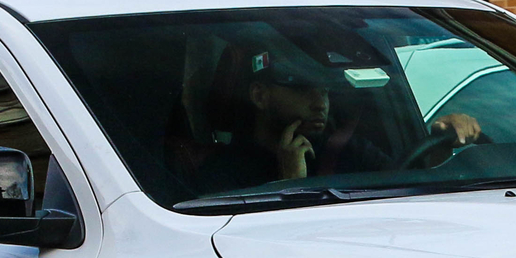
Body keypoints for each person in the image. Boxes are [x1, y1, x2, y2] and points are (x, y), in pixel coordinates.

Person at [197, 48, 483, 192]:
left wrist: (440, 145)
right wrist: (290, 183)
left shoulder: (345, 149)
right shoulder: (221, 174)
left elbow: (404, 183)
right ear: (260, 96)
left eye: (325, 90)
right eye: (302, 88)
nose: (319, 102)